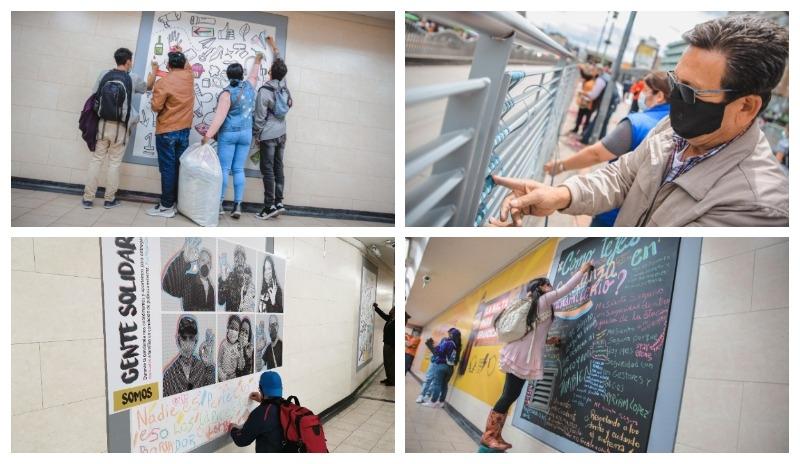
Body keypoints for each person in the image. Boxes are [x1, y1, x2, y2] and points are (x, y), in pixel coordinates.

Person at [490, 15, 789, 227]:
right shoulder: (673, 130)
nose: (675, 97)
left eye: (689, 90)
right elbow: (623, 176)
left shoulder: (758, 207)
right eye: (675, 82)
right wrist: (561, 195)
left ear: (746, 106)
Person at [481, 260, 593, 451]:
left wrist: (550, 341)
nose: (552, 287)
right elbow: (566, 288)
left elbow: (534, 333)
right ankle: (489, 436)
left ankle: (496, 435)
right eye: (548, 284)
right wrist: (583, 270)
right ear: (541, 288)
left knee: (511, 395)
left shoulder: (542, 307)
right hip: (520, 356)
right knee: (508, 395)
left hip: (524, 355)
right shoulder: (543, 300)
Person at [545, 72, 671, 226]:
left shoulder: (636, 124)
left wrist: (561, 166)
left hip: (612, 212)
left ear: (659, 96)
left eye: (645, 90)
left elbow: (596, 154)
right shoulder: (679, 129)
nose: (641, 95)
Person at [82, 47, 151, 209]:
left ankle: (88, 198)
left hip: (102, 124)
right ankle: (109, 199)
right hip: (120, 127)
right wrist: (153, 72)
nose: (132, 63)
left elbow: (94, 95)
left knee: (96, 160)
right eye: (131, 60)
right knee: (114, 163)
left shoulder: (104, 74)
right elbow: (147, 87)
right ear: (128, 61)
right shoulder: (132, 78)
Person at [202, 54, 264, 218]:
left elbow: (219, 118)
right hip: (246, 134)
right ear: (242, 75)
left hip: (229, 134)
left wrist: (207, 136)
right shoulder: (250, 87)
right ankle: (237, 206)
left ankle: (220, 204)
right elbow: (254, 75)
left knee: (224, 169)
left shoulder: (226, 94)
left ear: (228, 76)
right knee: (238, 169)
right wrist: (257, 61)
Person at [146, 46, 195, 218]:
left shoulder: (163, 82)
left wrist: (153, 69)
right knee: (178, 167)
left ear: (168, 65)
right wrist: (180, 52)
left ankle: (166, 206)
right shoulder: (190, 76)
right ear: (183, 64)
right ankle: (175, 202)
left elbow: (155, 107)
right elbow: (187, 65)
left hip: (167, 130)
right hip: (184, 130)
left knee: (167, 169)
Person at [255, 36, 293, 220]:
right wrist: (274, 46)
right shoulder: (284, 87)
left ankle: (268, 207)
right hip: (282, 133)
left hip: (268, 135)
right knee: (279, 167)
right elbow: (279, 62)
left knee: (267, 170)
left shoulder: (265, 90)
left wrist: (257, 135)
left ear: (270, 72)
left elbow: (259, 117)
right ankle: (279, 202)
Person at [230, 371, 285, 452]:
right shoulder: (286, 406)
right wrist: (262, 400)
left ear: (261, 389)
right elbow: (273, 407)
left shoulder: (260, 413)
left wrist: (233, 429)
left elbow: (242, 440)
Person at [162, 316, 214, 397]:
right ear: (178, 339)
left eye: (191, 338)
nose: (188, 343)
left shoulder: (203, 367)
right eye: (184, 337)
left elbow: (213, 393)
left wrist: (209, 365)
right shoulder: (168, 375)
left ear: (196, 339)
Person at [161, 238, 215, 311]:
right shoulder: (189, 280)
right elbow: (168, 287)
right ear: (198, 262)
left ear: (211, 266)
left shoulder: (211, 287)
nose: (205, 264)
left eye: (208, 262)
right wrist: (184, 259)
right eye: (203, 260)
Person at [421, 328, 461, 408]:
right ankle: (441, 402)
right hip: (450, 368)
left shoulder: (448, 342)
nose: (448, 335)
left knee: (437, 384)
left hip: (441, 366)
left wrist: (432, 346)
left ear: (452, 335)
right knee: (444, 385)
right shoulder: (457, 346)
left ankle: (433, 402)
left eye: (450, 333)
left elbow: (439, 352)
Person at [580, 66, 619, 144]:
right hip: (613, 103)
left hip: (608, 104)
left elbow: (593, 95)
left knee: (598, 119)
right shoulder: (607, 77)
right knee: (604, 122)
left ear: (597, 72)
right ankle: (603, 142)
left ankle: (586, 138)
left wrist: (584, 93)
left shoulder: (601, 79)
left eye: (593, 70)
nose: (591, 73)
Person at [218, 246, 255, 312]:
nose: (239, 261)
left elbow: (251, 301)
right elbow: (221, 301)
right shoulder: (228, 277)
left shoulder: (248, 280)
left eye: (241, 258)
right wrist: (222, 281)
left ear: (244, 260)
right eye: (237, 258)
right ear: (234, 260)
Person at [372, 303, 395, 386]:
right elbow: (383, 315)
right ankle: (389, 378)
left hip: (392, 346)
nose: (391, 310)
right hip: (386, 344)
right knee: (386, 362)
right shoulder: (390, 319)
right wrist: (376, 308)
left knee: (390, 364)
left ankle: (392, 381)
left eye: (393, 309)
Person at [570, 66, 596, 135]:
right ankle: (577, 129)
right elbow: (585, 75)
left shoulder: (592, 78)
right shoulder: (591, 79)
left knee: (586, 118)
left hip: (589, 103)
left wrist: (581, 69)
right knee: (580, 116)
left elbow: (585, 75)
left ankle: (582, 131)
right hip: (584, 101)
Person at [218, 315, 242, 382]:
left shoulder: (239, 346)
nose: (233, 331)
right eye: (231, 328)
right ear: (228, 328)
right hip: (222, 377)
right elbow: (218, 363)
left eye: (236, 329)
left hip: (234, 377)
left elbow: (240, 365)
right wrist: (221, 375)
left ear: (239, 332)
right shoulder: (223, 344)